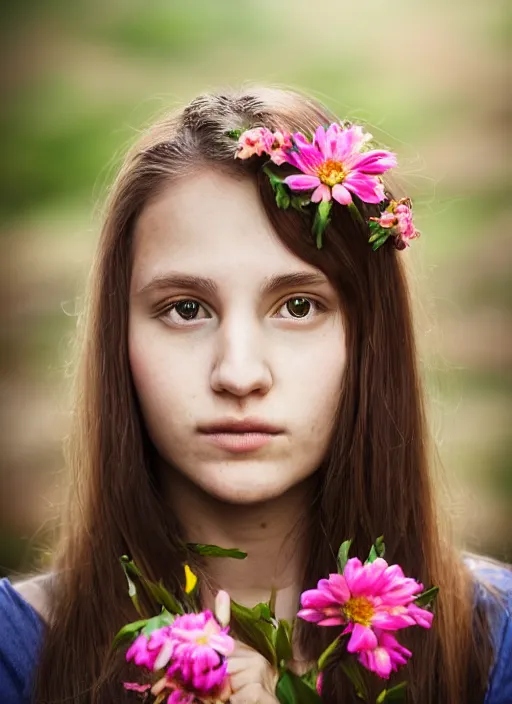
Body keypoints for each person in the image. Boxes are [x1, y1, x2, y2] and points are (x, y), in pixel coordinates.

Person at [0, 85, 511, 704]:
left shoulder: (492, 648)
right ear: (119, 336)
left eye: (298, 306)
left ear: (368, 339)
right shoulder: (16, 654)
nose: (239, 374)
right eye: (186, 308)